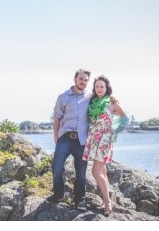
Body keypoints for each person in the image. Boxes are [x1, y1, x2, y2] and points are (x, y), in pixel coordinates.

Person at [82, 76, 127, 216]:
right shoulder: (92, 102)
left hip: (104, 141)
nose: (99, 89)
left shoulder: (112, 103)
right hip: (93, 139)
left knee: (95, 172)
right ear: (94, 88)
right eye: (97, 86)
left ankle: (107, 202)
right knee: (102, 172)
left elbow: (126, 119)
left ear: (106, 88)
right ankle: (106, 199)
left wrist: (115, 130)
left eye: (102, 86)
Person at [47, 69, 91, 211]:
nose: (83, 82)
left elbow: (103, 104)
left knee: (81, 172)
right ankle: (59, 194)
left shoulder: (91, 97)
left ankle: (80, 201)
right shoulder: (63, 97)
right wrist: (56, 137)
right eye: (81, 79)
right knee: (57, 167)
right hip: (65, 138)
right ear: (75, 79)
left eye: (85, 80)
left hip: (82, 140)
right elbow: (57, 118)